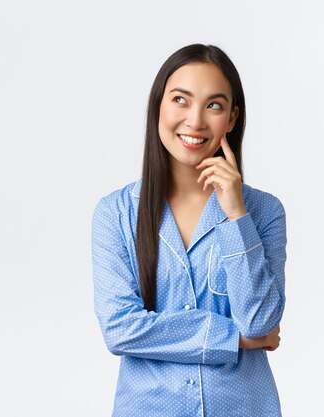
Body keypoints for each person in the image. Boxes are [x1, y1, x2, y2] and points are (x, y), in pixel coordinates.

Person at [91, 44, 287, 416]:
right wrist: (234, 338)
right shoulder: (115, 214)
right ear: (158, 107)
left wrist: (235, 215)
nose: (195, 121)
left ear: (231, 118)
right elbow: (120, 328)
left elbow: (261, 322)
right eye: (181, 99)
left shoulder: (263, 212)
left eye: (213, 105)